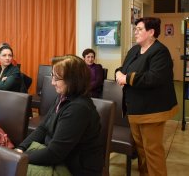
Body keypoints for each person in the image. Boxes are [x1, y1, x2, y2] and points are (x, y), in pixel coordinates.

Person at [16, 55, 103, 175]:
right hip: (58, 158)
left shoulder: (78, 108)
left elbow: (54, 153)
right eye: (53, 76)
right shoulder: (63, 96)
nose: (52, 83)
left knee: (12, 170)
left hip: (73, 168)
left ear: (73, 80)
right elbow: (43, 127)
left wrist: (20, 158)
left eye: (57, 79)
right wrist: (20, 148)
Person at [115, 17, 178, 176]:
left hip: (152, 111)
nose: (135, 32)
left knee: (152, 150)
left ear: (151, 32)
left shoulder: (160, 52)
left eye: (139, 29)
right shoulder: (134, 50)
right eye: (135, 29)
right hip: (135, 109)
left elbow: (154, 78)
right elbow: (124, 68)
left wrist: (126, 78)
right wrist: (118, 72)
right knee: (141, 148)